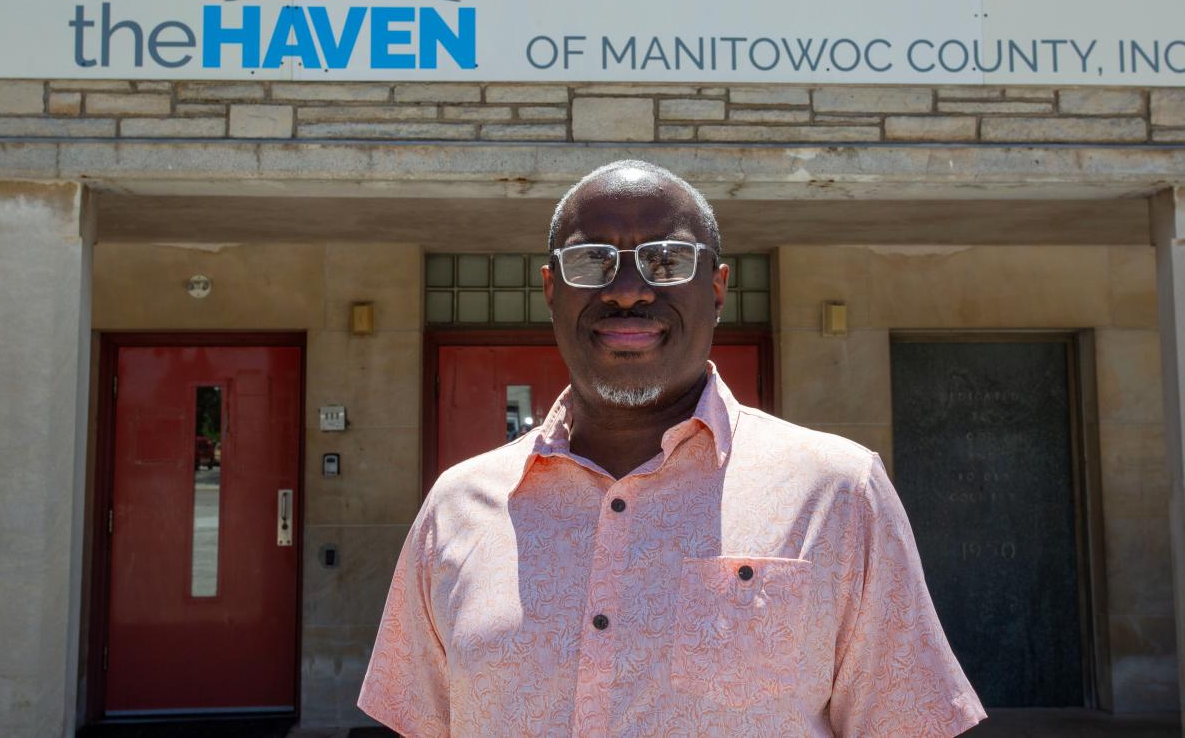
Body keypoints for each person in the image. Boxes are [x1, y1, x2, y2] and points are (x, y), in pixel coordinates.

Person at [357, 160, 986, 736]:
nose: (628, 290)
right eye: (591, 262)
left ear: (716, 288)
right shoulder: (457, 506)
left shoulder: (837, 493)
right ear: (551, 289)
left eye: (666, 261)